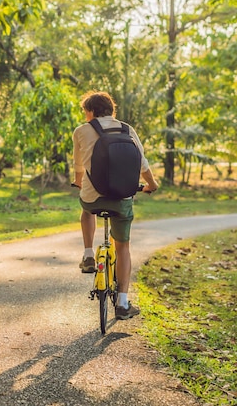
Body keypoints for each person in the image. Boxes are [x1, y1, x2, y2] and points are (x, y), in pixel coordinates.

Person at [72, 91, 158, 320]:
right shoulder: (127, 129)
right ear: (112, 111)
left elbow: (79, 166)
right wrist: (152, 184)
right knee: (123, 248)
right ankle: (122, 302)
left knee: (86, 207)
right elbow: (142, 163)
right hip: (122, 198)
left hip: (93, 198)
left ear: (90, 112)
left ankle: (89, 254)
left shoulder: (81, 131)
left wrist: (79, 182)